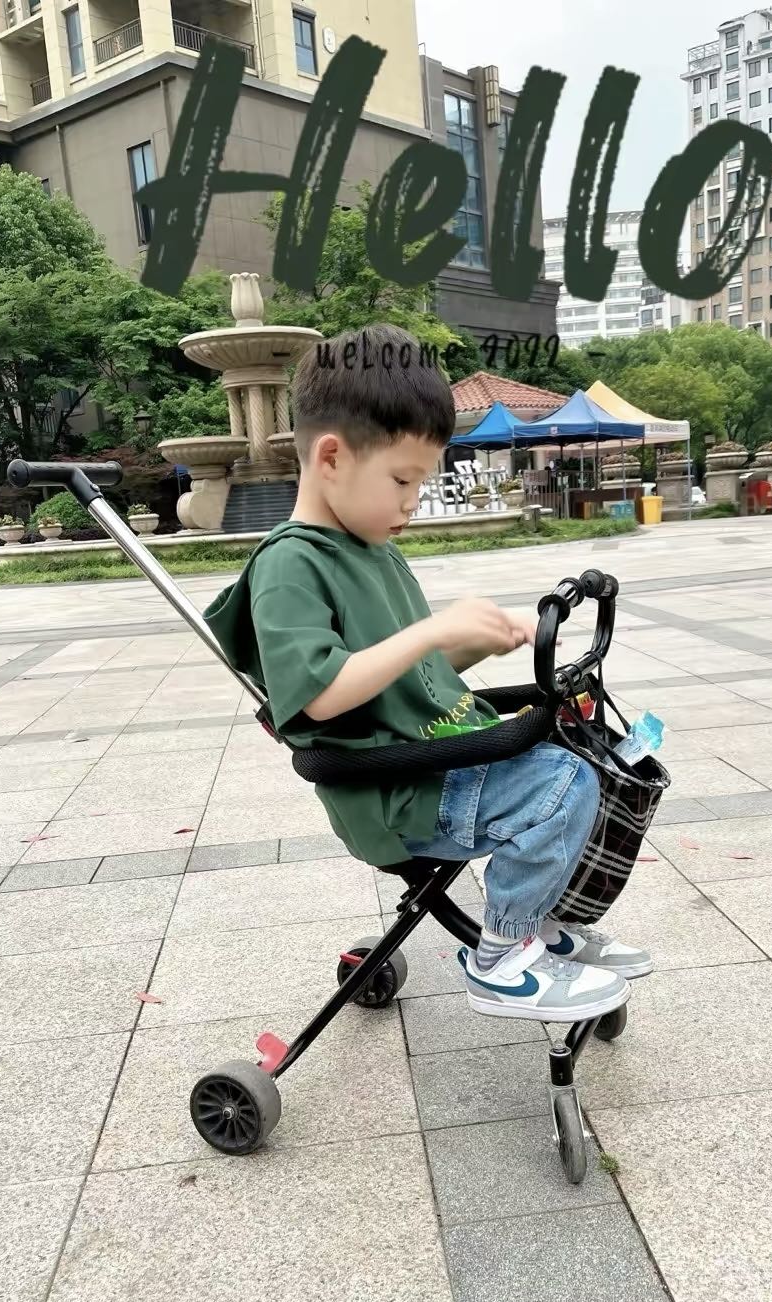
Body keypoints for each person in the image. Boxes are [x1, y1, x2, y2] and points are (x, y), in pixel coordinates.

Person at [203, 323, 650, 1023]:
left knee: (591, 755)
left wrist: (477, 644)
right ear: (331, 457)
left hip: (433, 756)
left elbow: (408, 676)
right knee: (561, 784)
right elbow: (319, 697)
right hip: (393, 790)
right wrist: (434, 629)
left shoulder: (374, 550)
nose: (413, 501)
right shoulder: (292, 565)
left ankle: (536, 923)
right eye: (402, 480)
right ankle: (502, 958)